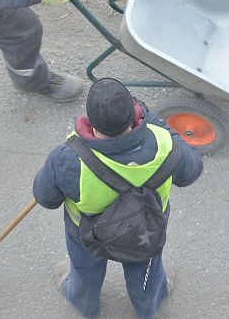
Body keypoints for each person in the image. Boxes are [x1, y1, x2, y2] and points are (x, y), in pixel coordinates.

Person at [33, 78, 203, 318]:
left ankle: (86, 305)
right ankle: (148, 306)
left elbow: (46, 198)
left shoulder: (67, 157)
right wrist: (153, 120)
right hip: (146, 228)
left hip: (88, 235)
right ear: (133, 116)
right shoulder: (165, 144)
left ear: (88, 120)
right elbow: (191, 171)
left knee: (85, 272)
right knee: (147, 273)